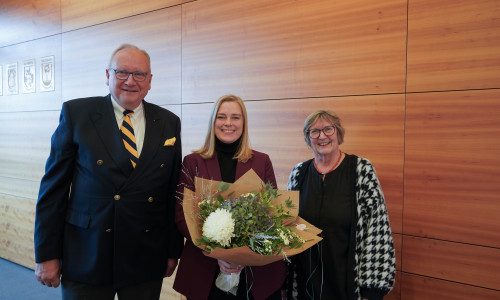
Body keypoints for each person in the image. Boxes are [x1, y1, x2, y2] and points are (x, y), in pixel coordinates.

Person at [34, 43, 183, 300]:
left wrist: (172, 250)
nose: (130, 81)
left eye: (139, 74)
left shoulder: (169, 122)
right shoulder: (77, 114)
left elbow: (171, 192)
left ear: (149, 81)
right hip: (87, 252)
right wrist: (47, 254)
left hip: (145, 254)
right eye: (122, 72)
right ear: (107, 76)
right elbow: (53, 190)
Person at [173, 94, 286, 300]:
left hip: (255, 272)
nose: (228, 123)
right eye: (221, 117)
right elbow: (182, 213)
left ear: (244, 123)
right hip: (205, 268)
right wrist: (218, 253)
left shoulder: (262, 161)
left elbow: (272, 213)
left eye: (235, 117)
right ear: (213, 122)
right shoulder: (192, 162)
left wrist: (242, 254)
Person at [286, 110, 396, 300]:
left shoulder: (362, 170)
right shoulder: (298, 173)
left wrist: (372, 289)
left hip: (346, 285)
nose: (322, 136)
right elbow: (286, 227)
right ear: (308, 138)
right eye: (314, 131)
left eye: (328, 129)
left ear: (338, 132)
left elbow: (378, 230)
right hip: (304, 285)